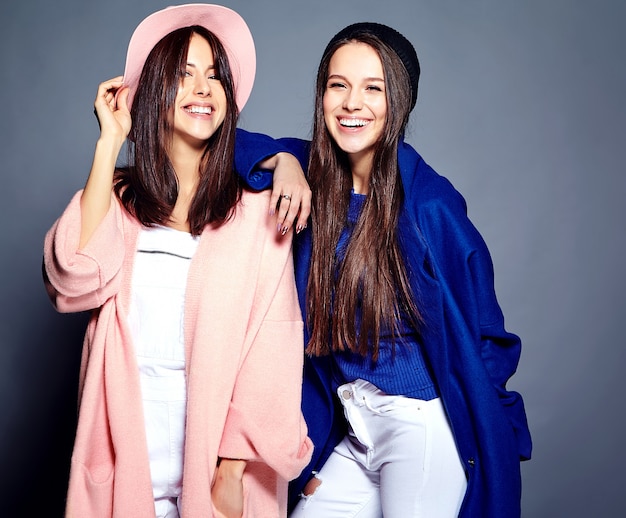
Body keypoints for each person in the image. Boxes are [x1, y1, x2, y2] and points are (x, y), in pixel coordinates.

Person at [235, 22, 532, 518]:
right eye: (338, 85)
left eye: (374, 88)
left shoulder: (430, 206)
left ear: (400, 102)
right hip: (356, 422)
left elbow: (488, 336)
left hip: (420, 427)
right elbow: (225, 148)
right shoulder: (312, 173)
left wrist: (493, 429)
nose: (353, 103)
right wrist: (282, 159)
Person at [42, 4, 312, 517]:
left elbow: (273, 346)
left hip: (215, 463)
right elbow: (73, 278)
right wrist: (109, 143)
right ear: (155, 91)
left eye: (214, 76)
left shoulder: (256, 212)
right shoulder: (117, 201)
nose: (203, 88)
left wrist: (232, 468)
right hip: (125, 456)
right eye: (184, 75)